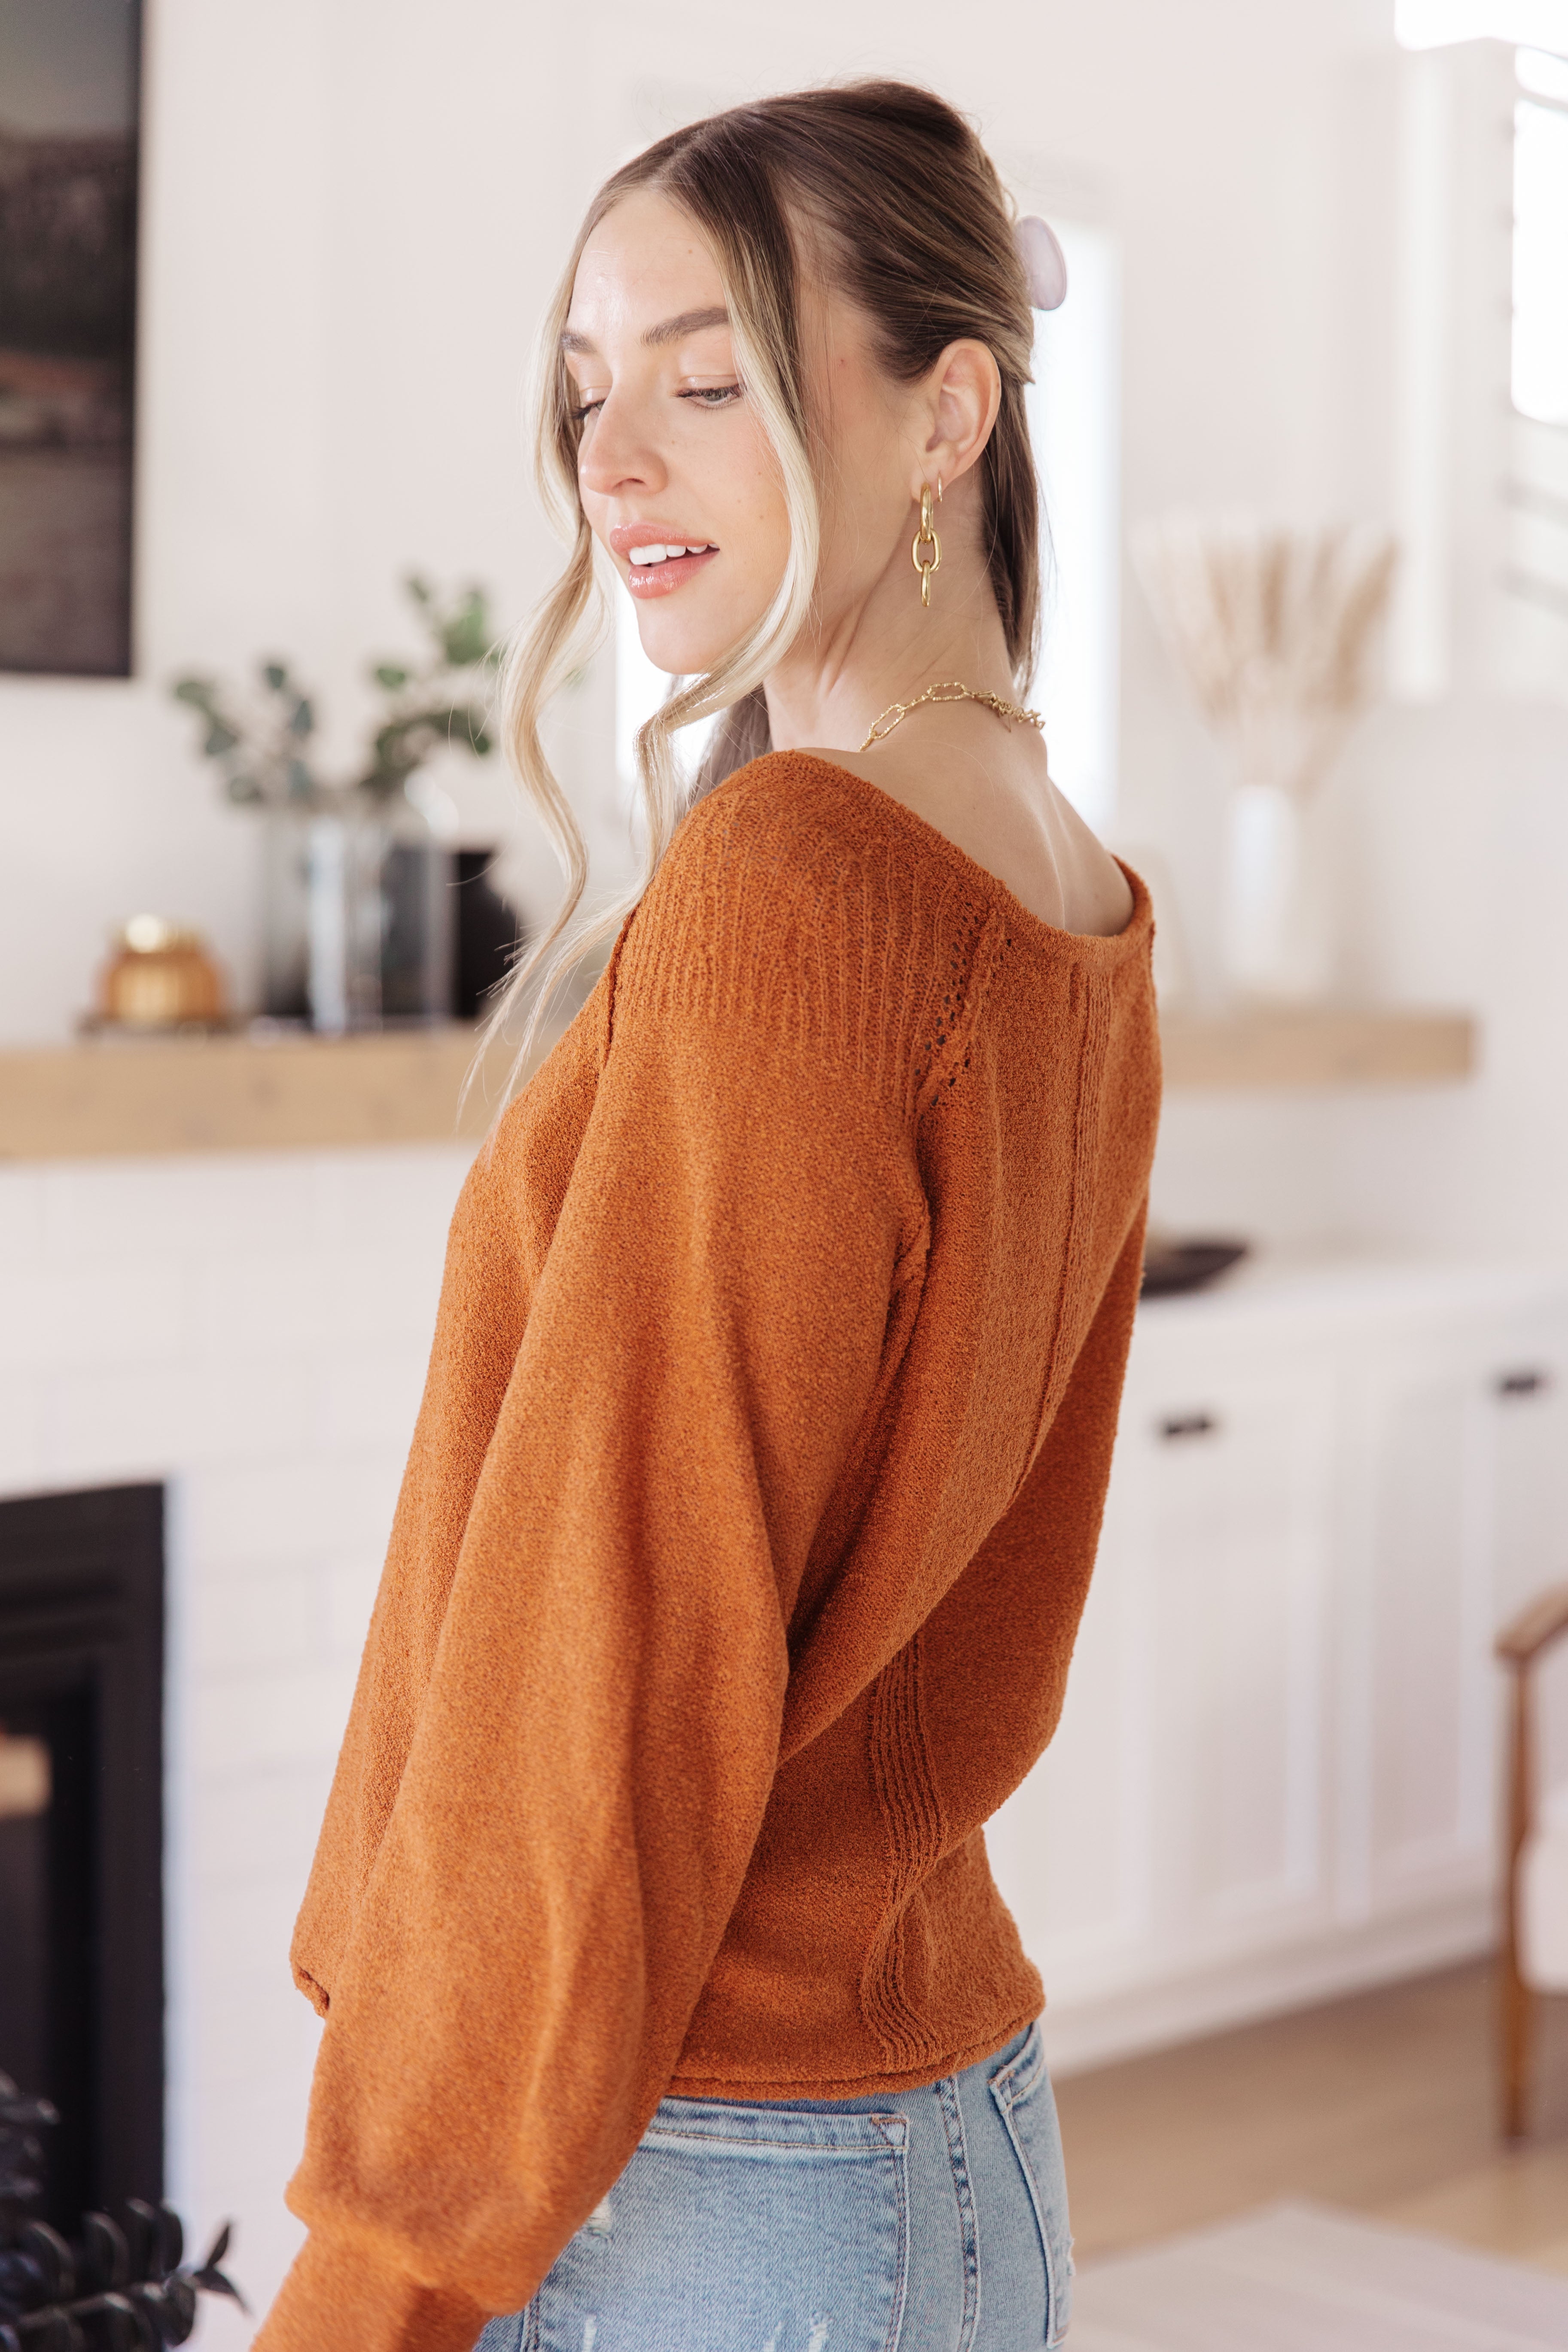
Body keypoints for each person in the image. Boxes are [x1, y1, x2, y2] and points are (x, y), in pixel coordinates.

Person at [255, 79, 1160, 2352]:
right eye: (587, 389)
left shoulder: (795, 882)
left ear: (944, 410)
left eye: (707, 376)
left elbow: (623, 1627)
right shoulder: (1061, 881)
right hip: (921, 2125)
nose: (613, 460)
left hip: (707, 2167)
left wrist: (378, 2264)